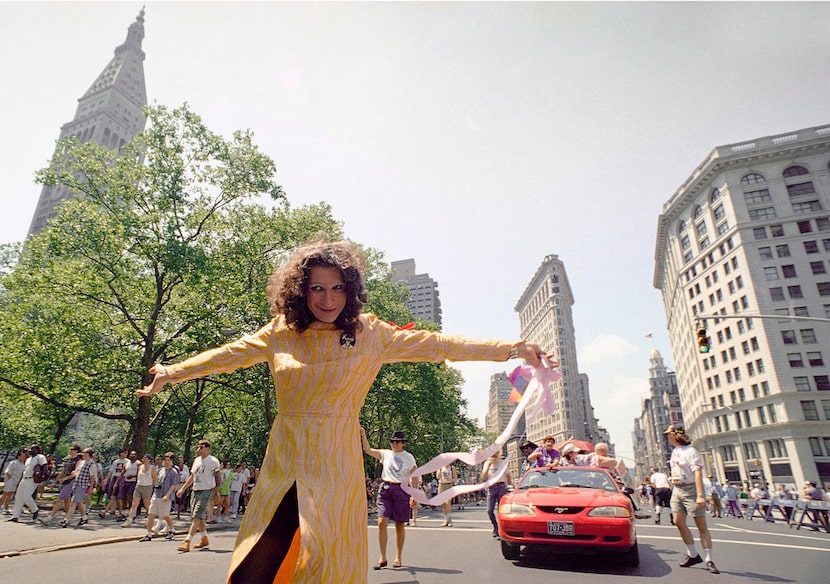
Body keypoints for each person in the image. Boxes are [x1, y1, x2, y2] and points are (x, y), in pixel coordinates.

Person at [137, 234, 552, 583]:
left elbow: (438, 345)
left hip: (334, 465)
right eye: (317, 287)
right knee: (257, 561)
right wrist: (172, 372)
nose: (328, 298)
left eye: (337, 288)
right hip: (284, 462)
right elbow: (228, 354)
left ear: (350, 291)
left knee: (326, 560)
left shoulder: (371, 334)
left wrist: (512, 349)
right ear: (300, 290)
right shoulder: (282, 333)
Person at [361, 429, 418, 570]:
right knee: (381, 522)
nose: (394, 444)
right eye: (392, 442)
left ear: (403, 443)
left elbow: (414, 475)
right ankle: (382, 557)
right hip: (386, 488)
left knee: (399, 525)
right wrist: (363, 434)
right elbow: (367, 450)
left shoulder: (408, 457)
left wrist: (413, 494)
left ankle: (398, 557)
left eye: (397, 442)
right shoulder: (385, 454)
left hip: (402, 489)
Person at [665, 425, 719, 574]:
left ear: (677, 435)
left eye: (669, 434)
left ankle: (709, 559)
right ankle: (693, 554)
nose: (667, 437)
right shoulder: (675, 451)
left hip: (691, 489)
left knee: (700, 524)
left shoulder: (691, 451)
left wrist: (700, 495)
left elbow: (697, 474)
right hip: (677, 489)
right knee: (677, 521)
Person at [175, 440, 220, 552]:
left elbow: (217, 478)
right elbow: (192, 477)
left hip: (206, 490)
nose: (199, 449)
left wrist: (217, 493)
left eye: (202, 447)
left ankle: (187, 541)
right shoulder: (196, 461)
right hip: (196, 490)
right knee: (199, 517)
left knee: (196, 516)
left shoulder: (213, 461)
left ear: (207, 448)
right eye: (198, 447)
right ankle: (204, 538)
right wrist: (183, 489)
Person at [140, 451, 180, 541]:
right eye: (165, 460)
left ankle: (171, 529)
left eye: (168, 460)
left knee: (165, 515)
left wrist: (168, 494)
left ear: (172, 461)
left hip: (165, 496)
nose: (166, 462)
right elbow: (157, 482)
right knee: (151, 513)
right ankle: (148, 534)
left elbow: (174, 485)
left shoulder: (173, 472)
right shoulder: (161, 470)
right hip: (157, 494)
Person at [41, 445, 82, 526]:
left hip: (71, 482)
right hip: (65, 481)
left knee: (60, 499)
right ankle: (67, 519)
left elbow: (76, 473)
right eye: (70, 449)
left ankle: (49, 518)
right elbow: (63, 471)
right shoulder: (69, 460)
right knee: (67, 501)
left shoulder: (78, 461)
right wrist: (55, 482)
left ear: (77, 451)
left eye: (72, 449)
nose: (70, 451)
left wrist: (66, 478)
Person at [9, 444, 47, 523]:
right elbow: (25, 470)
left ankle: (35, 510)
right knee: (18, 497)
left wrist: (43, 476)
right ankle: (15, 516)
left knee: (26, 497)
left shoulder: (40, 457)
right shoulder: (28, 459)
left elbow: (44, 466)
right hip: (24, 479)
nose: (30, 450)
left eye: (33, 449)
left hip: (32, 479)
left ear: (37, 450)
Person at [60, 447, 97, 527]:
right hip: (76, 484)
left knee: (73, 503)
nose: (82, 454)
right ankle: (84, 517)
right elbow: (76, 473)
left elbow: (92, 477)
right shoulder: (82, 462)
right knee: (79, 502)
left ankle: (66, 520)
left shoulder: (91, 464)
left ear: (88, 454)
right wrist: (66, 477)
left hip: (82, 485)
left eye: (84, 452)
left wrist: (90, 487)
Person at [481, 451, 512, 538]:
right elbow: (483, 477)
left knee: (501, 510)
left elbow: (508, 475)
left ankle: (500, 530)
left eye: (495, 453)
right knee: (489, 510)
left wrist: (510, 487)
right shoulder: (487, 463)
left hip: (501, 486)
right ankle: (495, 527)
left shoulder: (502, 462)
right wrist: (488, 466)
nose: (493, 455)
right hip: (491, 487)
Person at [123, 454, 156, 527]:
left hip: (147, 487)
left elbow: (154, 479)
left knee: (147, 505)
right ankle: (129, 520)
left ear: (149, 460)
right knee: (134, 504)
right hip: (139, 486)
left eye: (145, 458)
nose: (143, 458)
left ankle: (150, 520)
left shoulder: (152, 469)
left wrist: (153, 489)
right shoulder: (140, 467)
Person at [99, 449, 129, 519]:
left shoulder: (128, 462)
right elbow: (111, 471)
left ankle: (121, 512)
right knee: (113, 496)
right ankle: (104, 512)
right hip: (115, 477)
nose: (124, 454)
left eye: (125, 453)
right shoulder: (116, 462)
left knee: (120, 497)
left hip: (123, 478)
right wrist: (106, 479)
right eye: (123, 452)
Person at [2, 450, 27, 515]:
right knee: (5, 494)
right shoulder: (13, 462)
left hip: (16, 481)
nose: (24, 457)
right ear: (19, 456)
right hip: (10, 480)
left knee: (10, 494)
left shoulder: (22, 464)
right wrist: (10, 480)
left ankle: (6, 508)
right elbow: (8, 472)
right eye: (23, 456)